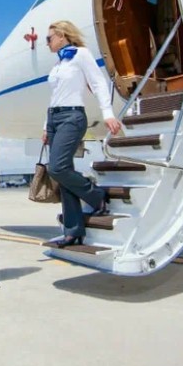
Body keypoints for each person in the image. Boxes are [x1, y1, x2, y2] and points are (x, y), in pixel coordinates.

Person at [42, 20, 122, 247]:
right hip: (54, 119)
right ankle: (73, 231)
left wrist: (107, 113)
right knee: (62, 172)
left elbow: (98, 83)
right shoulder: (58, 64)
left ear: (62, 36)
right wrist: (45, 127)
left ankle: (96, 195)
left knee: (57, 168)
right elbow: (54, 96)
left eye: (49, 38)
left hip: (72, 117)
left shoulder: (81, 54)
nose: (47, 43)